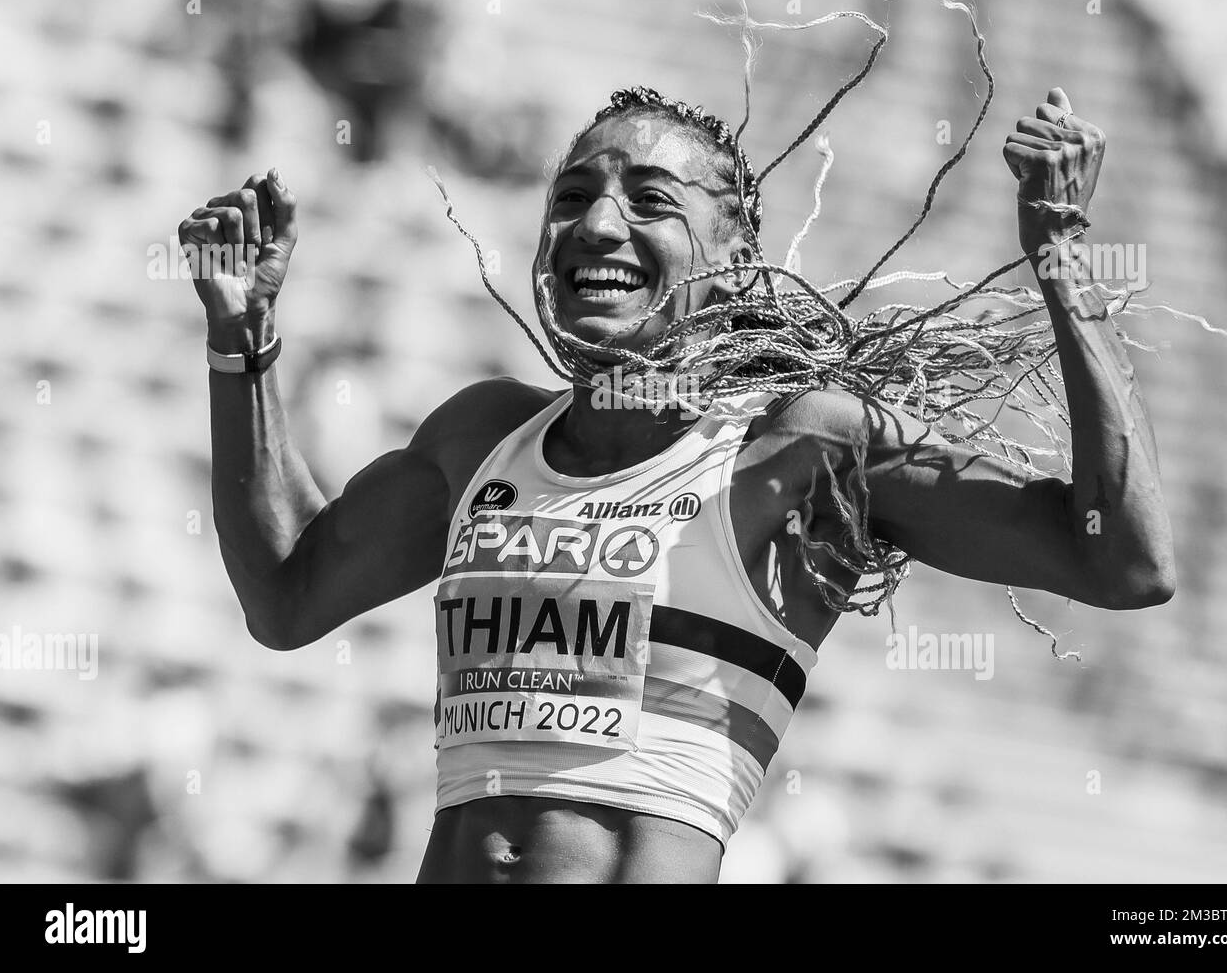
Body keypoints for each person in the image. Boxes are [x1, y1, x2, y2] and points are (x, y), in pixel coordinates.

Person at [178, 84, 1174, 884]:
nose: (595, 223)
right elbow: (287, 595)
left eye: (650, 200)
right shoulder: (480, 433)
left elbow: (1122, 560)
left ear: (739, 266)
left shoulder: (798, 443)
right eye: (569, 198)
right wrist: (241, 344)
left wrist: (1062, 265)